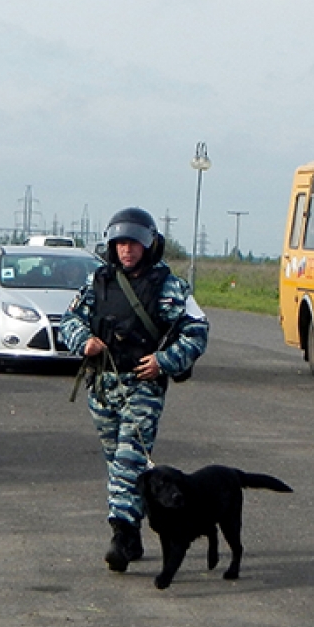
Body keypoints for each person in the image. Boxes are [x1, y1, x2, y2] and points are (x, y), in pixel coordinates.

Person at [59, 207, 209, 573]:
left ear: (149, 245)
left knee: (129, 459)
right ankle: (134, 532)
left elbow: (197, 330)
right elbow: (70, 319)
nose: (127, 250)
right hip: (104, 387)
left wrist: (164, 361)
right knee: (119, 464)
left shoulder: (169, 286)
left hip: (143, 387)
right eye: (121, 243)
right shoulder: (98, 282)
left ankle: (121, 535)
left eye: (134, 243)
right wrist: (85, 341)